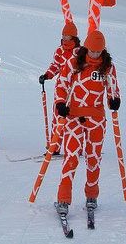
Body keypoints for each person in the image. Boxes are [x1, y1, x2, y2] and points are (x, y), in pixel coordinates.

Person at [52, 30, 120, 217]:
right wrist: (60, 103)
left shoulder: (107, 66)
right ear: (86, 47)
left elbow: (113, 87)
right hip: (74, 116)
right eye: (92, 51)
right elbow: (62, 83)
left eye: (98, 52)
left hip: (96, 118)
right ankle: (63, 198)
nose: (95, 55)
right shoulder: (74, 61)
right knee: (71, 157)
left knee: (93, 158)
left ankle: (92, 196)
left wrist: (114, 99)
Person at [38, 22, 80, 155]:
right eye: (63, 36)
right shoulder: (59, 51)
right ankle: (54, 147)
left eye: (68, 36)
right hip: (61, 89)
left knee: (74, 118)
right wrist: (47, 75)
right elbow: (55, 66)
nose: (65, 38)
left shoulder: (80, 52)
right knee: (57, 118)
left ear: (73, 37)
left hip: (76, 89)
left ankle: (75, 148)